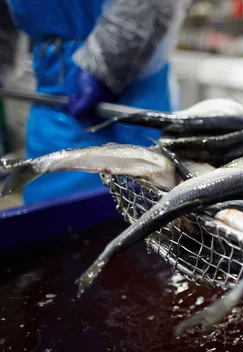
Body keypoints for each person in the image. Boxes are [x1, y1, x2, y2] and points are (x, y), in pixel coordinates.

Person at [0, 0, 186, 204]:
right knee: (48, 219)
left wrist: (105, 65)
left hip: (132, 99)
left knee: (140, 209)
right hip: (51, 100)